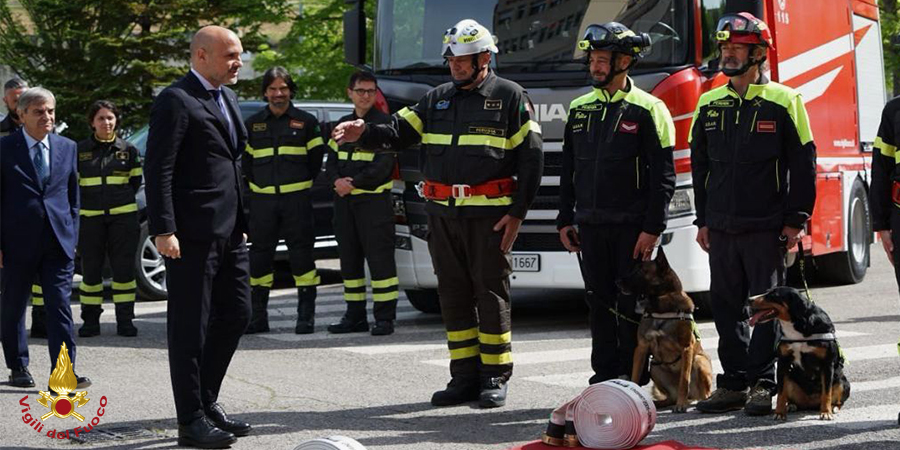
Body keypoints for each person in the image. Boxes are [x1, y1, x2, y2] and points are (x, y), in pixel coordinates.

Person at [333, 18, 543, 408]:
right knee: (453, 294)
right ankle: (463, 377)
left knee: (490, 292)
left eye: (463, 59)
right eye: (451, 59)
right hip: (442, 216)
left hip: (490, 217)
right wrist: (364, 133)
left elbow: (532, 159)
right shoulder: (437, 97)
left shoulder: (512, 97)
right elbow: (397, 131)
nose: (455, 66)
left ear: (484, 57)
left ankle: (494, 376)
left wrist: (517, 213)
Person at [690, 13, 816, 415]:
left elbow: (804, 164)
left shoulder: (786, 100)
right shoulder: (708, 102)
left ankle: (764, 383)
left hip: (766, 227)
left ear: (758, 53)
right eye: (724, 48)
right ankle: (733, 383)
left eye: (736, 48)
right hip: (722, 227)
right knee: (726, 307)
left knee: (763, 311)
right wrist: (703, 219)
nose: (727, 54)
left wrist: (795, 220)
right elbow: (699, 166)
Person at [144, 26, 252, 448]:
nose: (238, 62)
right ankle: (189, 419)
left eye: (239, 54)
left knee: (237, 314)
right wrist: (163, 229)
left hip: (230, 231)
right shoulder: (176, 99)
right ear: (202, 55)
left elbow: (231, 163)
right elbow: (159, 169)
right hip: (190, 235)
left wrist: (242, 221)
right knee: (189, 328)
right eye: (230, 55)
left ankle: (206, 402)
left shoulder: (227, 97)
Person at [556, 23, 675, 385]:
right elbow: (568, 170)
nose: (594, 66)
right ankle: (603, 376)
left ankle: (633, 378)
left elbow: (663, 178)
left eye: (602, 60)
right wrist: (565, 219)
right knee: (598, 303)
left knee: (629, 306)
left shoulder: (650, 108)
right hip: (591, 226)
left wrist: (652, 228)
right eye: (592, 59)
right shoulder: (579, 108)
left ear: (624, 61)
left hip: (632, 228)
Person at [0, 87, 91, 390]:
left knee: (60, 307)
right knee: (14, 306)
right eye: (39, 111)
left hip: (58, 241)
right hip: (16, 242)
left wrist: (72, 235)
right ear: (21, 114)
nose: (47, 117)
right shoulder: (4, 148)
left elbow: (72, 197)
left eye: (51, 111)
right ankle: (18, 366)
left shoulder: (67, 147)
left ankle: (62, 373)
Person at [243, 66, 327, 335]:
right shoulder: (253, 124)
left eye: (283, 88)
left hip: (296, 202)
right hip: (263, 204)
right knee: (259, 259)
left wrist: (298, 186)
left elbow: (315, 163)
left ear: (290, 90)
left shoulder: (306, 122)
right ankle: (258, 318)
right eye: (272, 89)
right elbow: (245, 164)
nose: (278, 94)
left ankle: (305, 319)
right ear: (265, 92)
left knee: (302, 257)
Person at [325, 71, 398, 336]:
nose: (366, 96)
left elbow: (383, 166)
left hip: (373, 204)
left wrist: (352, 183)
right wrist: (336, 182)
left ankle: (385, 318)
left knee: (380, 263)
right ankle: (354, 316)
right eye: (360, 91)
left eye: (370, 91)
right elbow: (330, 162)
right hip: (344, 204)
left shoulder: (384, 124)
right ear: (350, 93)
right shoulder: (342, 125)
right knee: (349, 261)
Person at [75, 100, 142, 338]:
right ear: (92, 122)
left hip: (123, 220)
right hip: (90, 220)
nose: (106, 122)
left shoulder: (129, 150)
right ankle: (90, 321)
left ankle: (125, 321)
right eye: (101, 118)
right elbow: (73, 186)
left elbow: (135, 182)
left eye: (110, 118)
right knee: (90, 272)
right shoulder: (80, 151)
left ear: (116, 121)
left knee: (124, 271)